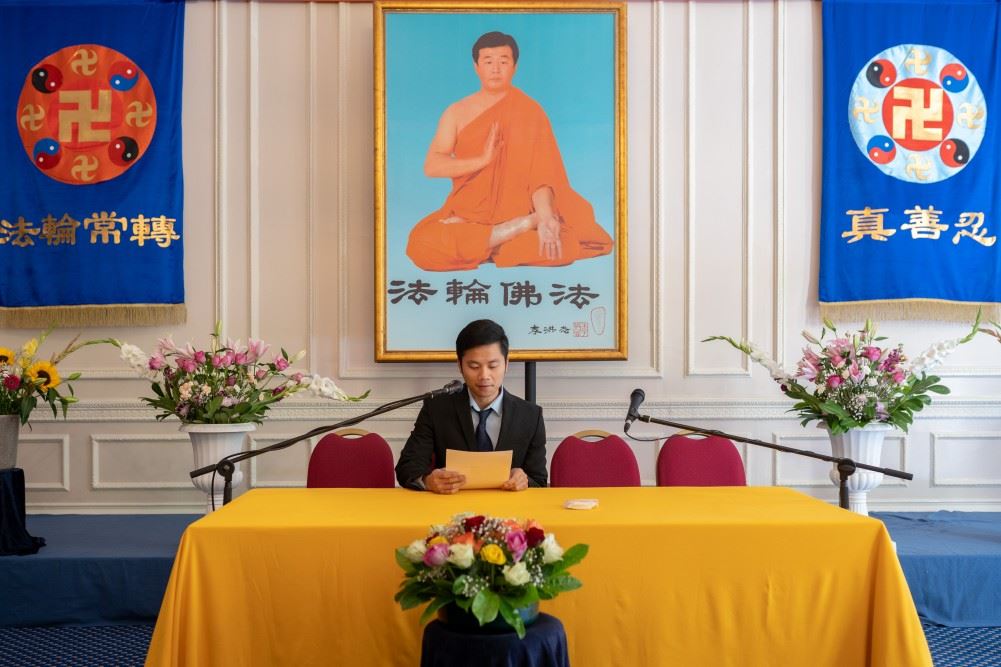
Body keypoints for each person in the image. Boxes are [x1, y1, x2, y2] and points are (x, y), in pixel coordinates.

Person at [406, 31, 613, 271]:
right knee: (420, 244)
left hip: (512, 213)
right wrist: (482, 160)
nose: (496, 69)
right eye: (488, 61)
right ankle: (511, 231)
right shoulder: (456, 112)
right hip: (468, 215)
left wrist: (546, 217)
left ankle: (482, 242)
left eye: (503, 61)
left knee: (562, 245)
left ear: (515, 66)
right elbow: (432, 166)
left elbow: (542, 176)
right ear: (476, 67)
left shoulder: (531, 111)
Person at [395, 319, 548, 492]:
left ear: (506, 364)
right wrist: (428, 480)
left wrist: (523, 480)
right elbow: (407, 467)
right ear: (460, 365)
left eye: (493, 366)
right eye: (474, 366)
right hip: (451, 505)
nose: (484, 375)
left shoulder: (530, 415)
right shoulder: (437, 408)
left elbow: (539, 480)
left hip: (508, 506)